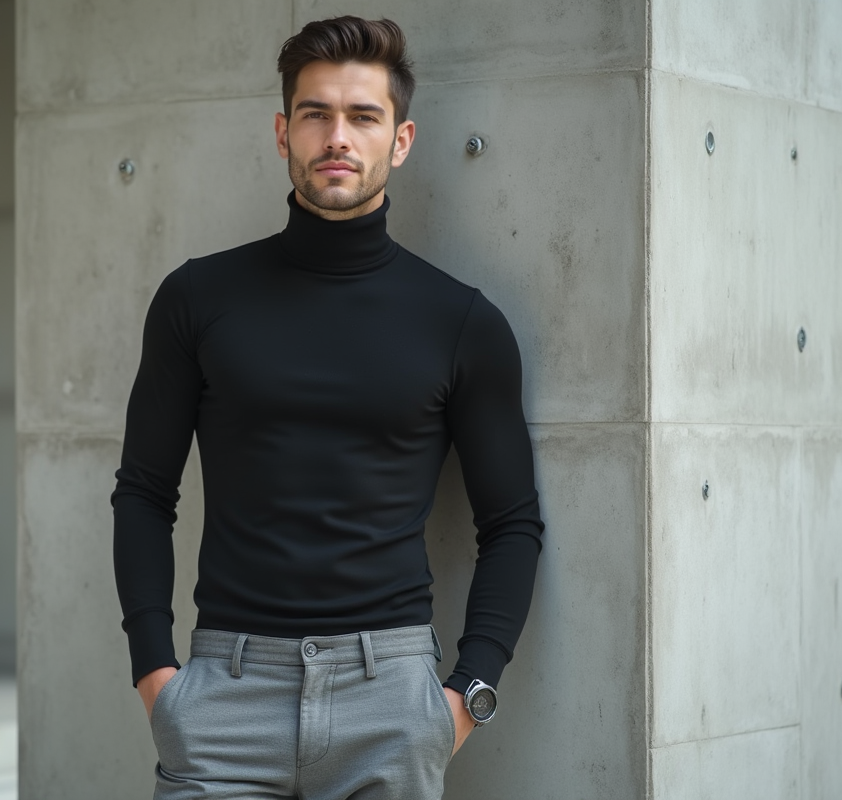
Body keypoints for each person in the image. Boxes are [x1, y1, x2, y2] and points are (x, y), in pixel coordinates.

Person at [112, 15, 544, 800]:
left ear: (401, 140)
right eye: (315, 114)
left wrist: (461, 699)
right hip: (222, 699)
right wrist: (157, 676)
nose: (336, 136)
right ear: (284, 132)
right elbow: (144, 492)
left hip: (392, 703)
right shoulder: (196, 301)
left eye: (362, 116)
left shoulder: (462, 324)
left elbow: (512, 524)